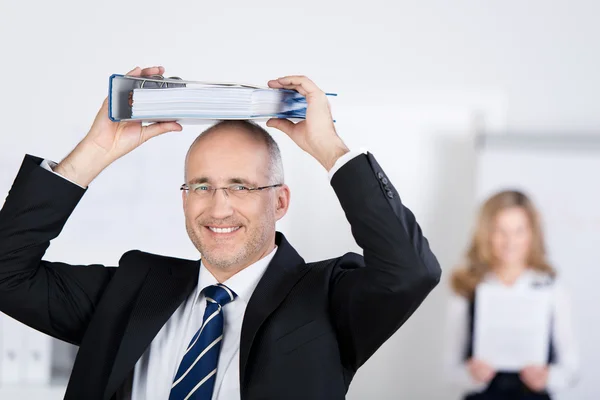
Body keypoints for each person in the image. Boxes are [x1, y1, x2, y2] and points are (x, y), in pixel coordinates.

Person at [0, 66, 441, 400]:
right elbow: (6, 275)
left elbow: (409, 271)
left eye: (241, 186)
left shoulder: (327, 299)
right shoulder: (132, 288)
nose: (218, 207)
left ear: (281, 201)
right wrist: (93, 152)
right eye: (202, 186)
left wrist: (331, 149)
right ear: (184, 198)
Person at [444, 190, 579, 400]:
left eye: (519, 231)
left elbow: (571, 367)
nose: (510, 241)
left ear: (532, 233)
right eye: (500, 231)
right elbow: (450, 368)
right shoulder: (468, 288)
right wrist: (471, 375)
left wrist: (547, 377)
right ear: (486, 233)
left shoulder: (551, 288)